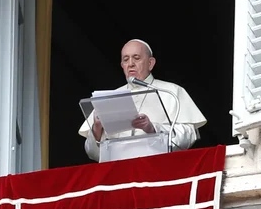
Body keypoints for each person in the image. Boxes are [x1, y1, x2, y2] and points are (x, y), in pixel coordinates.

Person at [79, 39, 207, 162]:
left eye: (136, 58)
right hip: (118, 173)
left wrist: (152, 129)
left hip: (158, 169)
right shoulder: (108, 97)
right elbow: (92, 153)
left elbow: (189, 136)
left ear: (150, 63)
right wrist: (96, 128)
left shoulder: (171, 91)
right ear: (122, 65)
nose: (130, 64)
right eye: (125, 59)